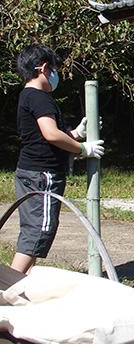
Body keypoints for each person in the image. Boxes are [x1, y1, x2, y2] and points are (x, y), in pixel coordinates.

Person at [12, 44, 105, 274]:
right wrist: (83, 148)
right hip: (42, 175)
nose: (56, 75)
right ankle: (7, 289)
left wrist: (76, 134)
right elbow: (51, 134)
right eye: (54, 69)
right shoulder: (40, 97)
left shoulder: (27, 96)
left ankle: (18, 286)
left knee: (34, 233)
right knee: (37, 234)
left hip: (30, 172)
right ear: (43, 68)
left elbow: (45, 136)